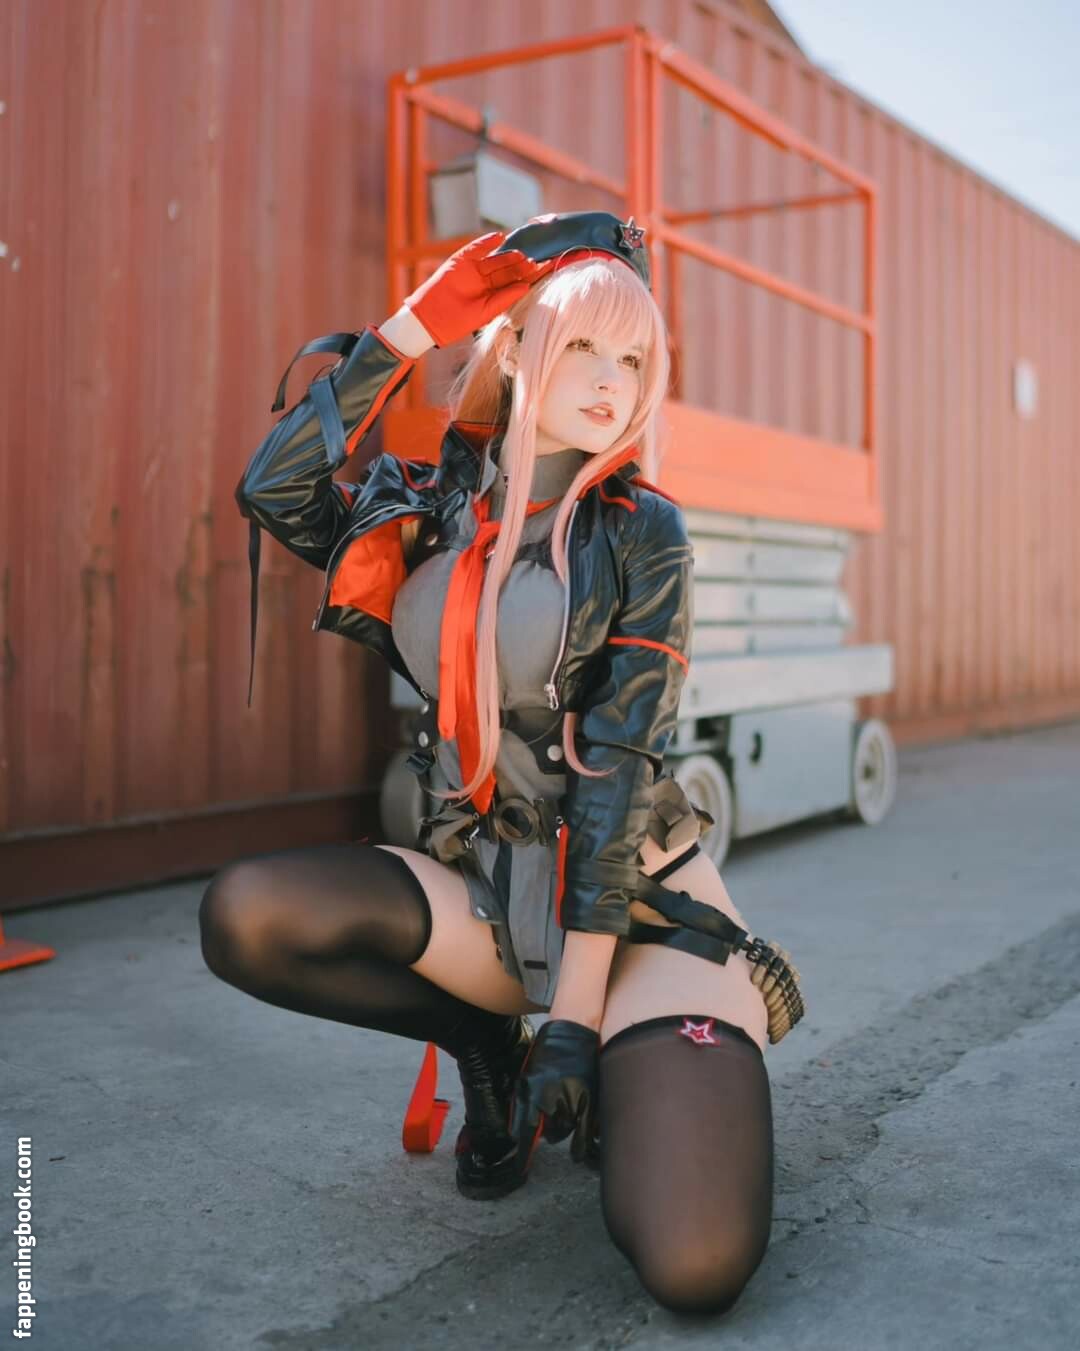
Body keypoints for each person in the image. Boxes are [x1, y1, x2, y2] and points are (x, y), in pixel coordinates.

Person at [199, 211, 805, 1316]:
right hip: (486, 892)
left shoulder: (642, 531)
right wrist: (407, 331)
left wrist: (573, 1021)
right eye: (585, 347)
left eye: (636, 361)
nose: (613, 381)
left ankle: (616, 1055)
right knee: (248, 914)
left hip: (638, 914)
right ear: (518, 347)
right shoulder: (432, 506)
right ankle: (485, 1039)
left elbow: (615, 779)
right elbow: (275, 490)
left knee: (697, 1260)